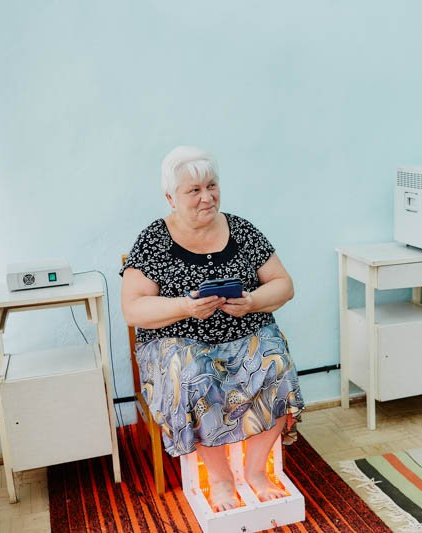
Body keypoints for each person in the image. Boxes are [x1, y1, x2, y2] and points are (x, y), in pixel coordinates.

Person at [120, 146, 304, 511]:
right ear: (171, 198)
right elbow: (133, 308)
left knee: (276, 364)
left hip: (244, 332)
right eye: (194, 190)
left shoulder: (241, 230)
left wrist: (252, 301)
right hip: (179, 338)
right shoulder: (154, 240)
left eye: (212, 186)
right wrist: (185, 307)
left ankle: (255, 471)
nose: (207, 197)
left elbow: (284, 285)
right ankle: (219, 478)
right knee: (192, 373)